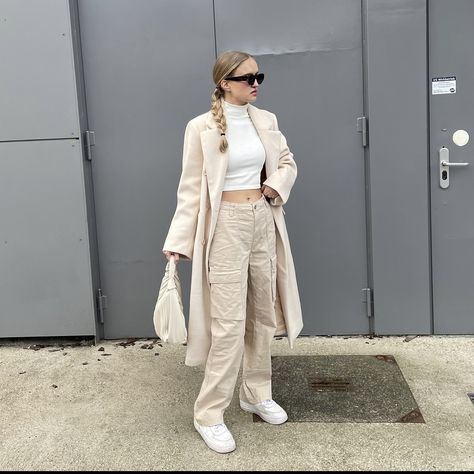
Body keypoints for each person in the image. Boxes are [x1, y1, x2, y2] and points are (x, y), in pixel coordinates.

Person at [162, 50, 303, 454]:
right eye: (246, 78)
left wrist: (276, 183)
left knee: (262, 314)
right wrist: (179, 240)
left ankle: (255, 394)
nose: (255, 82)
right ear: (224, 82)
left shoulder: (266, 120)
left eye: (259, 76)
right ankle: (209, 412)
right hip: (224, 225)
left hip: (263, 219)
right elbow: (190, 187)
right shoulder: (201, 127)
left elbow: (288, 161)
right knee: (228, 323)